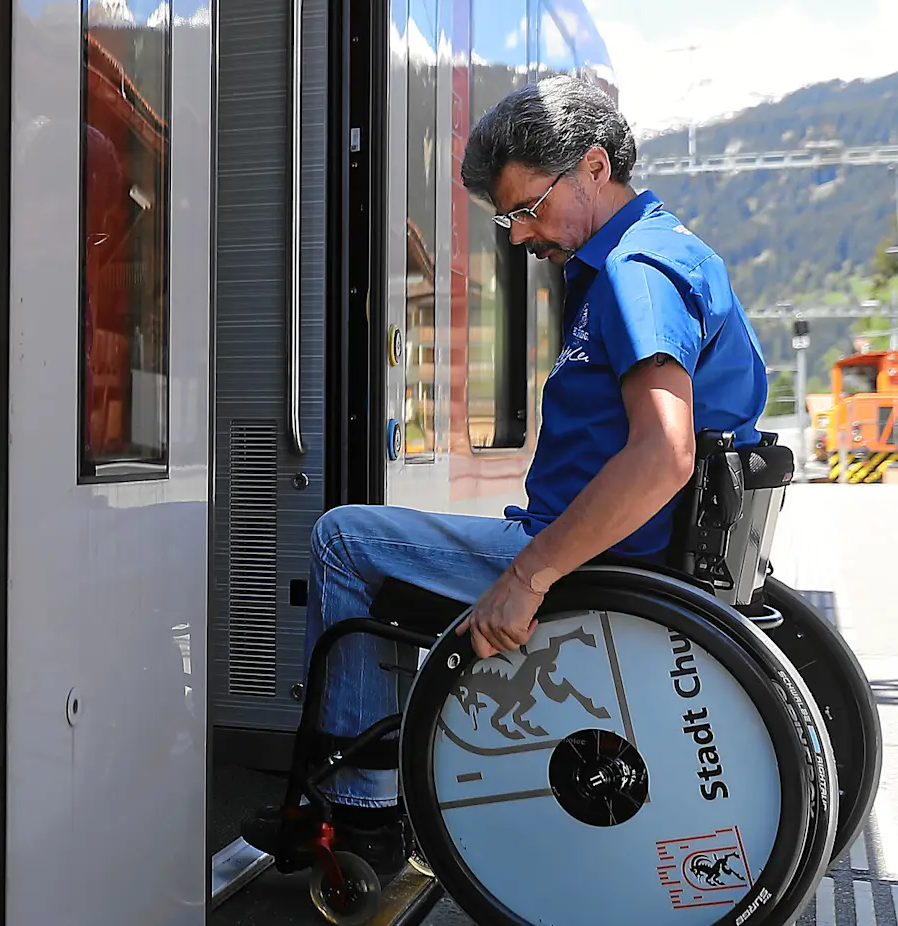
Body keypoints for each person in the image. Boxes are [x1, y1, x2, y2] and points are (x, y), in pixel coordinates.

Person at [263, 75, 771, 875]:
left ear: (594, 167)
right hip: (624, 553)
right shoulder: (669, 250)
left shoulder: (635, 273)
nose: (520, 235)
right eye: (507, 218)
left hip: (598, 566)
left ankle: (362, 813)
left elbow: (663, 452)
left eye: (527, 208)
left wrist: (529, 575)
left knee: (343, 539)